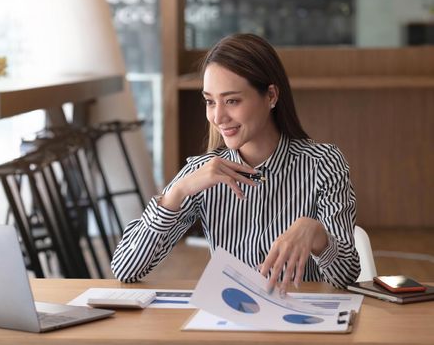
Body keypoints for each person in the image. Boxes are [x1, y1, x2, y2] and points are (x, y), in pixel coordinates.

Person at [111, 33, 360, 292]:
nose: (218, 116)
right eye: (210, 101)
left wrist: (318, 235)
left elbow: (346, 277)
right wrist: (176, 193)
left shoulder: (323, 164)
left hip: (300, 325)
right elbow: (126, 269)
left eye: (232, 100)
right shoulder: (202, 172)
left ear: (271, 96)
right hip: (229, 324)